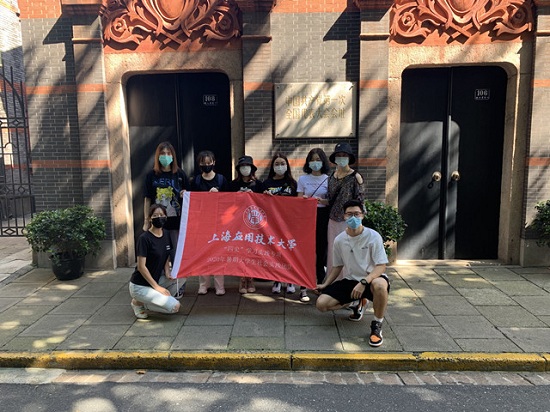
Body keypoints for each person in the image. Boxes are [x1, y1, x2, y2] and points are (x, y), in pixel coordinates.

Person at [315, 199, 390, 347]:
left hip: (372, 278)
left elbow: (381, 266)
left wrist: (364, 282)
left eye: (357, 214)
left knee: (380, 285)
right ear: (344, 216)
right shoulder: (339, 240)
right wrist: (325, 284)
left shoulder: (373, 236)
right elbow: (337, 266)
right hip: (351, 281)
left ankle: (377, 326)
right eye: (349, 214)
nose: (353, 218)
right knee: (321, 304)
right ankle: (356, 303)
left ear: (363, 215)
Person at [143, 141, 189, 298]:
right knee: (159, 253)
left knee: (176, 254)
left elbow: (189, 197)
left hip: (176, 221)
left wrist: (184, 194)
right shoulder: (151, 175)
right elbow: (147, 198)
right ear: (158, 156)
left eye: (168, 154)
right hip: (158, 222)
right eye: (162, 154)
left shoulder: (180, 174)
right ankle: (159, 283)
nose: (166, 156)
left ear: (173, 156)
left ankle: (179, 285)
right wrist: (146, 220)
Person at [129, 204, 181, 319]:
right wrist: (157, 287)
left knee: (182, 276)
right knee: (175, 307)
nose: (159, 218)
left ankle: (156, 299)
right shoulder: (144, 238)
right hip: (140, 285)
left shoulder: (166, 234)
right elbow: (141, 267)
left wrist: (167, 272)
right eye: (155, 215)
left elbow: (166, 255)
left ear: (166, 217)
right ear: (149, 218)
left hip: (157, 279)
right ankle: (139, 302)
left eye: (161, 215)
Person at [191, 150, 228, 295]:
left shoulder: (221, 180)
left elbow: (229, 200)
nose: (206, 165)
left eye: (209, 162)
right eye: (203, 163)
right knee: (203, 254)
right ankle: (203, 284)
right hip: (202, 223)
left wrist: (218, 195)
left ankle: (220, 285)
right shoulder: (196, 181)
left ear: (214, 162)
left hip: (219, 223)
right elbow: (192, 201)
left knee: (218, 254)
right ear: (199, 164)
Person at [297, 148, 330, 302]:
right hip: (307, 217)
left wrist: (321, 201)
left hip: (323, 216)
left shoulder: (329, 179)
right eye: (312, 159)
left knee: (321, 250)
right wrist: (304, 201)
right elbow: (298, 200)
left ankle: (320, 283)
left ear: (323, 162)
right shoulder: (303, 179)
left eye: (318, 159)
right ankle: (303, 285)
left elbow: (331, 201)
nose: (315, 163)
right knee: (306, 250)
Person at [326, 142, 364, 278]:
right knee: (333, 251)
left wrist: (357, 221)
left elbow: (361, 202)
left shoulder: (355, 177)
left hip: (348, 221)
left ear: (349, 158)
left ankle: (348, 281)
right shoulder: (331, 177)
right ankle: (332, 281)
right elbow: (329, 199)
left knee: (348, 251)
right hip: (332, 220)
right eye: (339, 155)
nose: (341, 158)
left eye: (344, 155)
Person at [263, 152, 298, 295]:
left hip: (289, 223)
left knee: (289, 251)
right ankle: (277, 279)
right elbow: (260, 204)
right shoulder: (266, 183)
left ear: (287, 165)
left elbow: (297, 203)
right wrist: (265, 196)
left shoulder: (292, 183)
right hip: (272, 224)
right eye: (276, 164)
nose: (280, 166)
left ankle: (290, 280)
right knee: (275, 251)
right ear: (272, 166)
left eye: (282, 163)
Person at [228, 155, 263, 294]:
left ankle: (251, 278)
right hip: (237, 223)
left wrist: (254, 195)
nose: (245, 169)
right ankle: (242, 278)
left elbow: (264, 203)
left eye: (247, 166)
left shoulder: (258, 184)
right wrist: (236, 196)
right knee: (241, 251)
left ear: (252, 168)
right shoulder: (233, 184)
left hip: (253, 223)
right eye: (242, 166)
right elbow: (226, 202)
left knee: (252, 250)